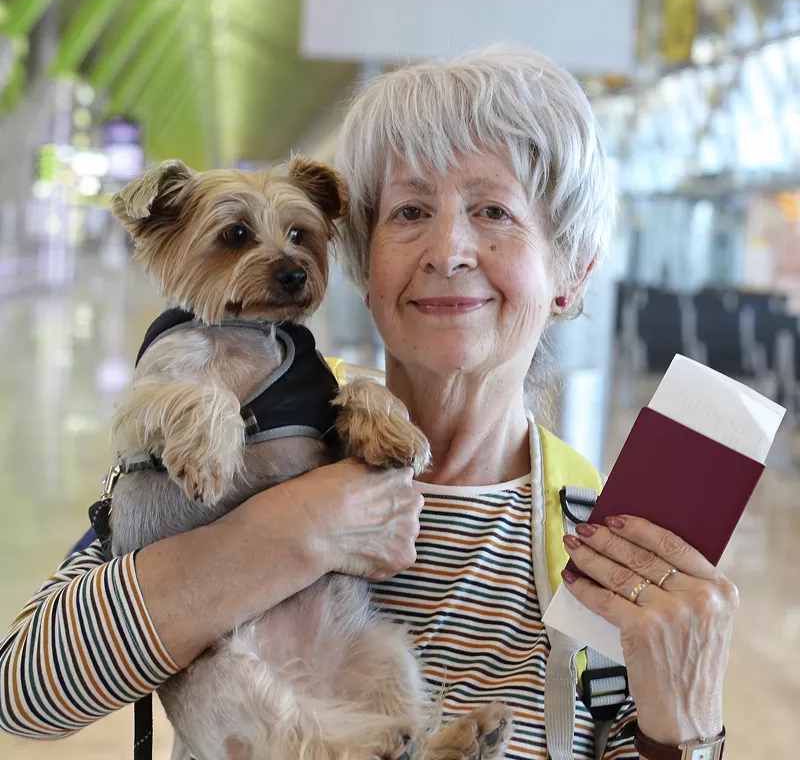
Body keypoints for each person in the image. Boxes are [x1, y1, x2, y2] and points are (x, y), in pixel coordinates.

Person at [0, 47, 737, 759]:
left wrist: (689, 731)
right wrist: (284, 536)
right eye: (410, 212)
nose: (448, 249)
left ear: (571, 272)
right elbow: (24, 691)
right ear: (362, 262)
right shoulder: (254, 423)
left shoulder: (612, 533)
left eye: (494, 211)